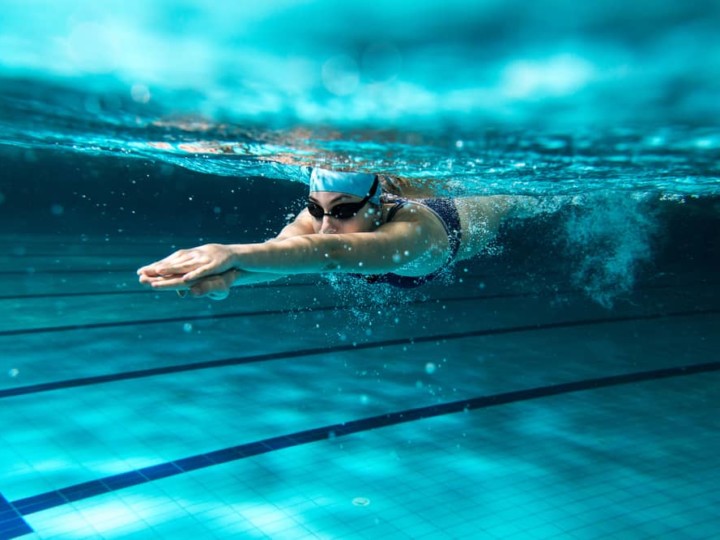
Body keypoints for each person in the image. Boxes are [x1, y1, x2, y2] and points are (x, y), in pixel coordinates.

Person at [137, 168, 513, 299]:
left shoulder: (414, 233)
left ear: (376, 206)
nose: (326, 225)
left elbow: (332, 253)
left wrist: (229, 253)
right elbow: (282, 254)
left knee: (516, 200)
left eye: (345, 211)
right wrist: (229, 278)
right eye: (316, 210)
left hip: (472, 212)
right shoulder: (321, 220)